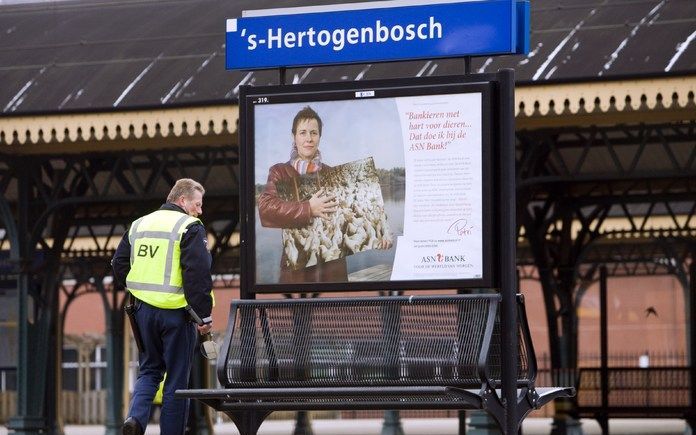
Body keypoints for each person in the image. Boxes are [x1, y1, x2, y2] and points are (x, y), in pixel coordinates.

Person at [112, 178, 213, 435]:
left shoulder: (139, 224)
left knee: (149, 370)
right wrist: (203, 317)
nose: (200, 210)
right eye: (197, 204)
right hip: (177, 315)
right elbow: (198, 274)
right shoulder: (189, 227)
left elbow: (118, 263)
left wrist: (141, 290)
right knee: (177, 381)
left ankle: (135, 419)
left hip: (143, 313)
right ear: (182, 200)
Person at [258, 106, 391, 283]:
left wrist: (379, 232)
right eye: (303, 133)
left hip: (332, 271)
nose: (308, 139)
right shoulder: (280, 172)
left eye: (313, 133)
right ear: (294, 136)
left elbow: (355, 214)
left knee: (331, 311)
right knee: (298, 311)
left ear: (320, 136)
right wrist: (308, 208)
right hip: (297, 273)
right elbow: (266, 209)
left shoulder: (333, 174)